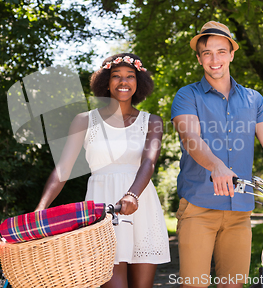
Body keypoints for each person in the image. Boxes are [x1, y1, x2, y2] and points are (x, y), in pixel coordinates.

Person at [170, 21, 263, 288]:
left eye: (221, 51)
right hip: (198, 206)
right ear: (199, 58)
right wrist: (216, 165)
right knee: (194, 285)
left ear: (232, 54)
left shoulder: (254, 99)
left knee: (234, 285)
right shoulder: (186, 95)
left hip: (240, 212)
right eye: (208, 53)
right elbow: (191, 138)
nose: (215, 59)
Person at [35, 53, 170, 288]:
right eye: (116, 76)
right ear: (106, 82)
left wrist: (132, 194)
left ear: (139, 83)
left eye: (130, 76)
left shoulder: (152, 121)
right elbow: (63, 168)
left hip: (141, 205)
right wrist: (41, 208)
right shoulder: (84, 121)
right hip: (102, 212)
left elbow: (148, 162)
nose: (123, 81)